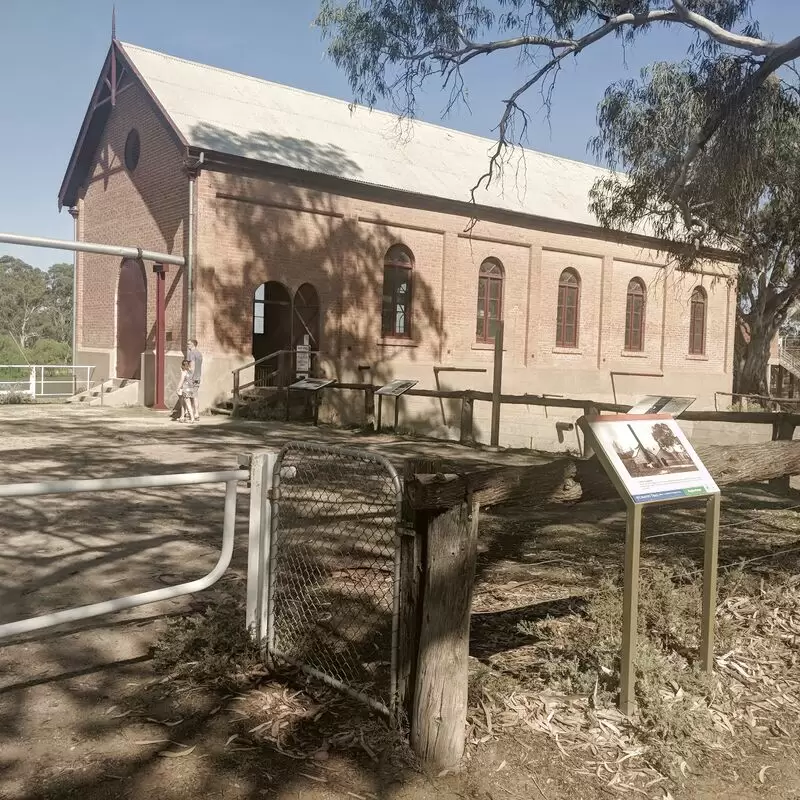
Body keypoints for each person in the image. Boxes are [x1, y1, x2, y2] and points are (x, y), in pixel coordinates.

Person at [187, 339, 203, 422]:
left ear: (193, 344)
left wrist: (189, 377)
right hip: (198, 377)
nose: (187, 345)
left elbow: (192, 366)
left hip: (192, 377)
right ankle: (197, 414)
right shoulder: (199, 354)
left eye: (189, 344)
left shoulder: (191, 353)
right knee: (195, 396)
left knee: (188, 397)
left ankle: (190, 414)